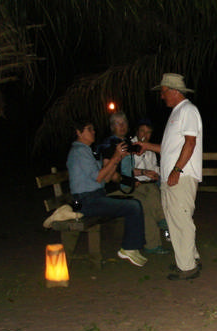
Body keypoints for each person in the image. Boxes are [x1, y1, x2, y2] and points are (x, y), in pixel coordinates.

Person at [141, 73, 203, 280]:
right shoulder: (177, 113)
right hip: (171, 176)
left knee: (180, 219)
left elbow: (190, 143)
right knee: (176, 219)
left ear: (174, 91)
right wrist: (145, 146)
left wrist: (177, 170)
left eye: (164, 91)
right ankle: (190, 259)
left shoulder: (188, 110)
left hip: (181, 176)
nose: (162, 96)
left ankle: (186, 268)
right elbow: (168, 148)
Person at [66, 119, 147, 267]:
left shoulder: (88, 151)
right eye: (89, 129)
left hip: (96, 196)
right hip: (86, 201)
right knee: (133, 206)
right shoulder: (79, 151)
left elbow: (105, 177)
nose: (93, 132)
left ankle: (132, 247)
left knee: (133, 203)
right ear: (79, 132)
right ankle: (129, 248)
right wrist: (115, 157)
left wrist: (117, 159)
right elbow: (98, 177)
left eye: (93, 129)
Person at [100, 112, 167, 254]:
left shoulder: (126, 144)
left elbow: (128, 170)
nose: (122, 126)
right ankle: (154, 238)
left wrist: (143, 173)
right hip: (115, 190)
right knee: (142, 202)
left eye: (124, 123)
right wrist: (131, 180)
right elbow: (110, 175)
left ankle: (153, 243)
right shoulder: (109, 145)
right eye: (118, 123)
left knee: (149, 198)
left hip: (127, 186)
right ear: (112, 127)